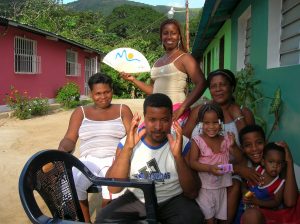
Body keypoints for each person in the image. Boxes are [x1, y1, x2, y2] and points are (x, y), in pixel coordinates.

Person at [95, 93, 204, 223]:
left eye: (164, 120)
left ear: (171, 119)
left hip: (173, 199)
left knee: (193, 218)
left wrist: (178, 156)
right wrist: (127, 149)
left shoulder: (183, 143)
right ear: (144, 119)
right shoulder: (128, 142)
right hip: (137, 198)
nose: (158, 127)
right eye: (152, 120)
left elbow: (192, 192)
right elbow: (114, 188)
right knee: (104, 219)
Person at [58, 72, 133, 223]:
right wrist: (61, 150)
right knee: (72, 184)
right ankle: (86, 220)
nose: (103, 96)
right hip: (88, 160)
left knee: (111, 191)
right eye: (98, 93)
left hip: (115, 159)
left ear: (112, 90)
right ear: (91, 94)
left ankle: (102, 219)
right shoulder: (81, 112)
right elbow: (69, 138)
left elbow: (133, 136)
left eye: (107, 92)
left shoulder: (122, 110)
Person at [183, 68, 255, 223]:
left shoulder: (244, 113)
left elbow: (248, 147)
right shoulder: (199, 111)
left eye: (223, 85)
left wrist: (238, 116)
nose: (218, 89)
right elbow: (184, 141)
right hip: (199, 168)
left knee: (234, 186)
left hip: (229, 170)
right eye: (213, 86)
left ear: (232, 87)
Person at [120, 19, 206, 122]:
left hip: (176, 113)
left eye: (173, 33)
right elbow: (153, 91)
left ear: (179, 36)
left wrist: (181, 108)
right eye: (165, 33)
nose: (169, 36)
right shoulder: (157, 62)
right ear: (161, 36)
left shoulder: (185, 58)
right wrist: (133, 79)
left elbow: (202, 83)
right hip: (158, 115)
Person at [190, 102, 245, 223]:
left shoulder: (226, 140)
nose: (211, 126)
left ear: (221, 123)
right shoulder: (198, 141)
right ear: (201, 124)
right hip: (204, 189)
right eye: (206, 123)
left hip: (221, 188)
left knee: (218, 219)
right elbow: (192, 163)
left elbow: (240, 159)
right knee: (209, 220)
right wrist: (210, 168)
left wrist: (234, 146)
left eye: (215, 122)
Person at [239, 125, 299, 224]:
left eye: (259, 143)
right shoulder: (246, 164)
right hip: (250, 213)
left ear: (265, 142)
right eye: (248, 145)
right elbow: (243, 183)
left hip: (273, 216)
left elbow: (290, 202)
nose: (254, 149)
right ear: (242, 148)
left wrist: (289, 161)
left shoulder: (277, 167)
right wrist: (240, 170)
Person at [242, 142, 286, 210]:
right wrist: (245, 192)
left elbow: (276, 202)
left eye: (279, 163)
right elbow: (244, 183)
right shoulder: (256, 170)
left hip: (261, 213)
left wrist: (257, 202)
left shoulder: (279, 184)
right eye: (271, 162)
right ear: (263, 162)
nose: (275, 166)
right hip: (243, 207)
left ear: (283, 165)